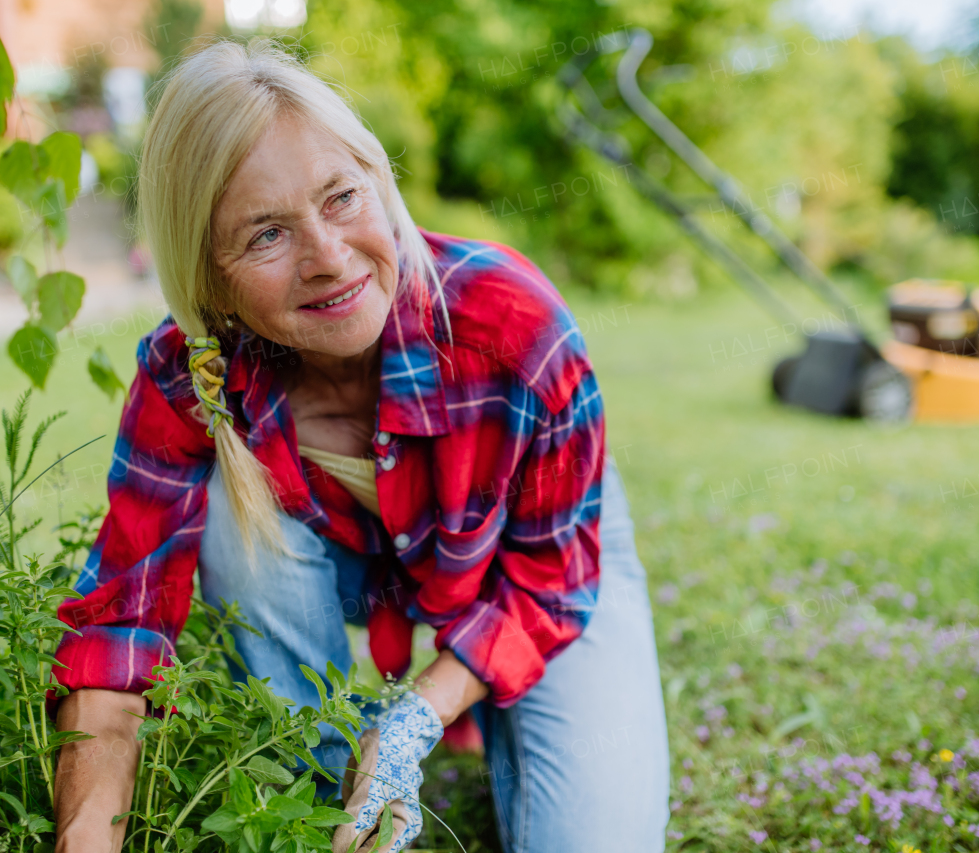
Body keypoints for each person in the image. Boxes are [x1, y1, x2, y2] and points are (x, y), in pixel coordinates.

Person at [50, 40, 669, 853]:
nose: (330, 258)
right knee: (237, 515)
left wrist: (415, 716)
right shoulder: (188, 375)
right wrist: (87, 831)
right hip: (342, 560)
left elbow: (551, 581)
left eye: (341, 197)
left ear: (377, 178)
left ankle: (426, 731)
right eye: (267, 234)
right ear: (207, 273)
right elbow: (120, 627)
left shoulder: (512, 327)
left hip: (541, 561)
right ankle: (322, 787)